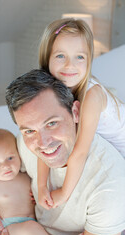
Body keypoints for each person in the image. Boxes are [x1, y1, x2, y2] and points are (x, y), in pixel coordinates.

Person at [0, 69, 125, 235]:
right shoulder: (25, 144)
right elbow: (4, 173)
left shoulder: (109, 182)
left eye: (51, 123)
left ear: (75, 113)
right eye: (29, 130)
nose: (43, 143)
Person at [37, 18, 125, 209]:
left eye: (80, 57)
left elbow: (80, 151)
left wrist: (64, 193)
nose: (70, 65)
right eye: (61, 56)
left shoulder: (92, 96)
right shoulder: (51, 93)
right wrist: (41, 186)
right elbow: (44, 139)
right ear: (47, 58)